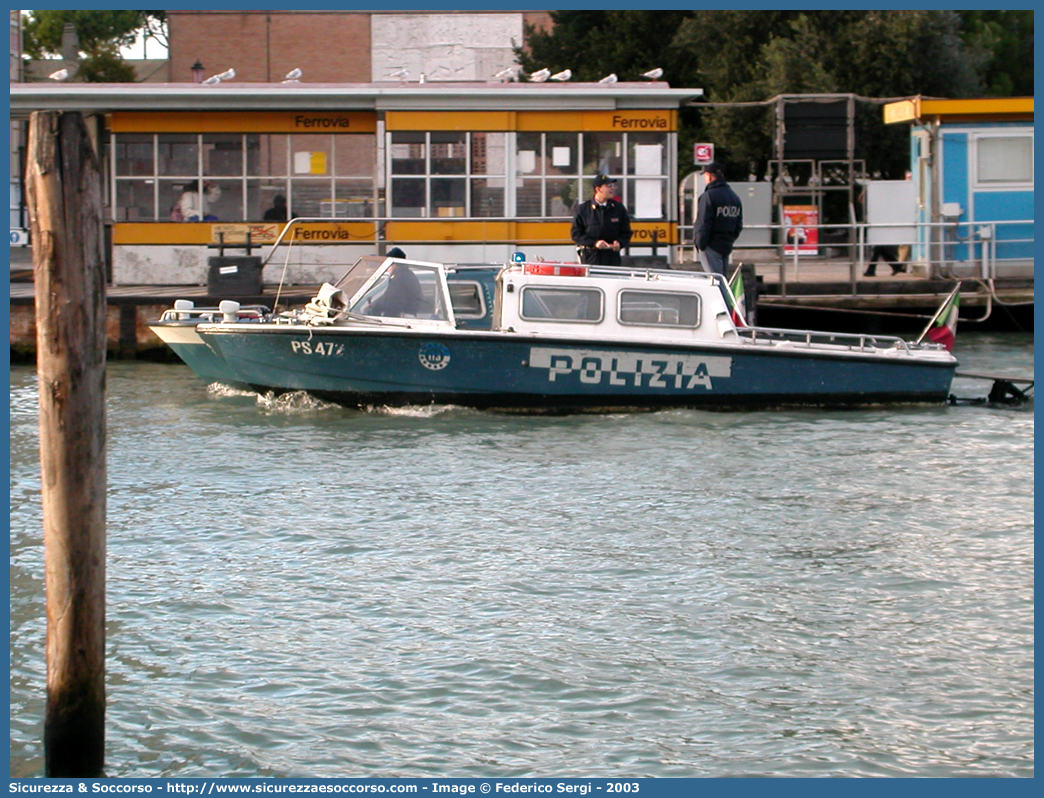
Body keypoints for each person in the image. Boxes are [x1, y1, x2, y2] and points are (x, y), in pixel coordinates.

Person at [693, 162, 743, 281]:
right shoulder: (734, 197)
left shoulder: (708, 196)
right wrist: (729, 239)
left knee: (714, 281)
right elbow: (738, 224)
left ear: (709, 176)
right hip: (726, 244)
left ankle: (721, 300)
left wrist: (700, 243)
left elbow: (703, 222)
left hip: (710, 245)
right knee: (722, 279)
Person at [571, 174, 632, 266]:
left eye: (613, 186)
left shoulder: (618, 208)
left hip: (612, 258)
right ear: (598, 189)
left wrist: (619, 243)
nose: (612, 189)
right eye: (608, 186)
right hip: (591, 257)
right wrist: (595, 243)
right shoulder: (583, 209)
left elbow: (626, 232)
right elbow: (576, 234)